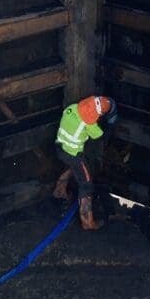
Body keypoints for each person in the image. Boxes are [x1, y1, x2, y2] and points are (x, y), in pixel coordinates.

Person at [53, 95, 117, 230]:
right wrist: (110, 123)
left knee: (72, 168)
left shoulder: (71, 109)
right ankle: (87, 222)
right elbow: (102, 137)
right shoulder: (89, 124)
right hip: (74, 155)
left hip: (60, 147)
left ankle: (59, 191)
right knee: (86, 185)